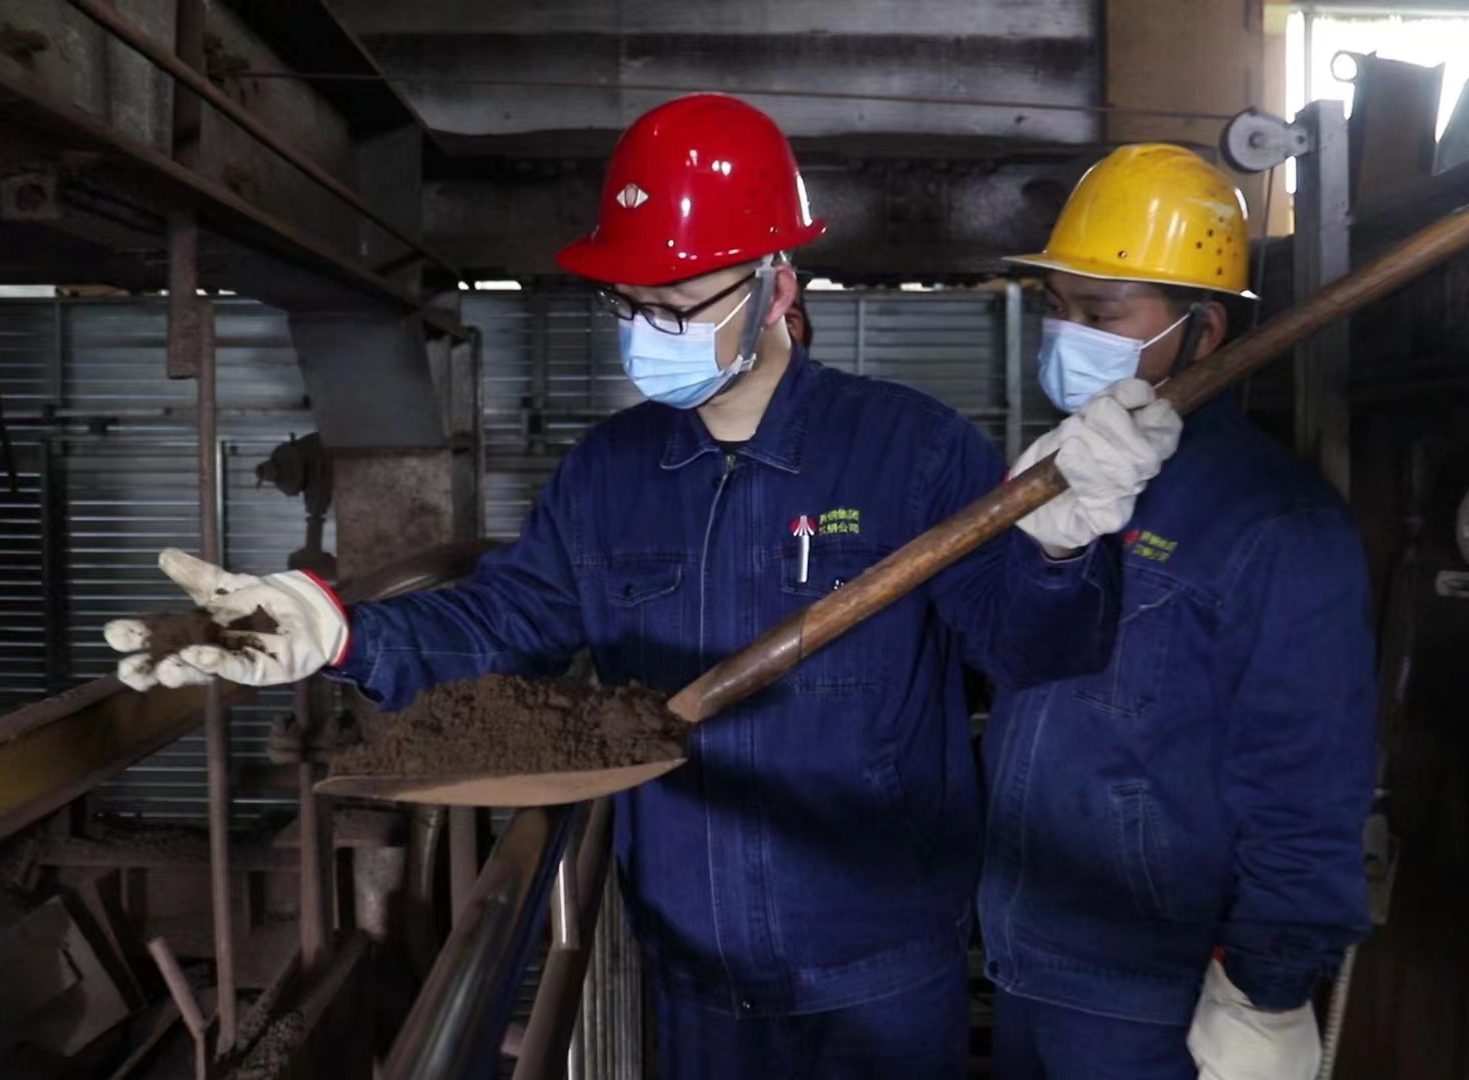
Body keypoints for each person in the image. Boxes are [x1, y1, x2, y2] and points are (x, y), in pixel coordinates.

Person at [103, 96, 1179, 1077]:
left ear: (777, 287)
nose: (648, 328)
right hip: (691, 969)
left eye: (679, 300)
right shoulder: (610, 473)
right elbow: (502, 618)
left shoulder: (913, 451)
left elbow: (1032, 648)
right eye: (631, 301)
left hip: (880, 970)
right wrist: (339, 631)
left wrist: (1062, 547)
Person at [982, 144, 1377, 1080]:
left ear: (1202, 333)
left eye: (1102, 314)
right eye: (1058, 309)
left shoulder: (1276, 527)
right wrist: (1045, 548)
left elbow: (1307, 784)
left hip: (1156, 990)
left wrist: (1266, 993)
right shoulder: (1054, 481)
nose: (1066, 336)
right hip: (1025, 952)